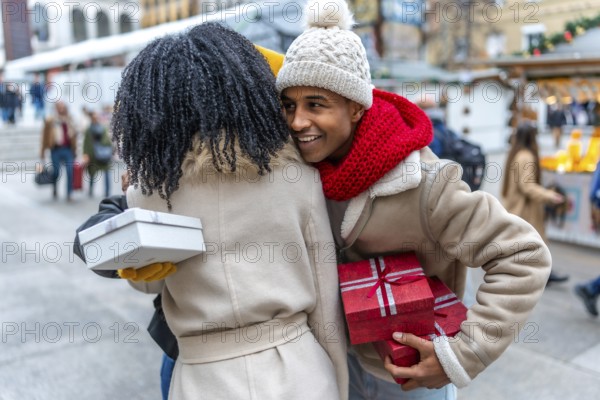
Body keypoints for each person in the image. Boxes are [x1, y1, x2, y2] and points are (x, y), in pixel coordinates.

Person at [276, 0, 551, 398]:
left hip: (412, 380)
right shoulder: (299, 170)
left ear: (355, 107)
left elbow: (523, 256)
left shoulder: (425, 183)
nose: (298, 122)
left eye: (315, 104)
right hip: (332, 367)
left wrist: (462, 353)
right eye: (289, 105)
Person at [107, 23, 347, 400]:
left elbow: (147, 282)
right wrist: (337, 379)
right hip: (298, 367)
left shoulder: (149, 193)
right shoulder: (297, 180)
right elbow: (325, 301)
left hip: (203, 375)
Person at [73, 42, 288, 400]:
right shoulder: (163, 183)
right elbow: (90, 240)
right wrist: (125, 251)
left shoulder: (287, 169)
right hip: (208, 353)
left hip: (248, 355)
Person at [501, 121, 569, 284]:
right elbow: (527, 186)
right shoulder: (527, 156)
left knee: (525, 244)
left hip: (517, 206)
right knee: (534, 243)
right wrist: (549, 195)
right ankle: (540, 276)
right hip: (525, 209)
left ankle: (541, 274)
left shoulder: (515, 153)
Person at [40, 101, 78, 201]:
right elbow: (44, 137)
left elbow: (75, 135)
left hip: (68, 149)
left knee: (70, 171)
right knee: (56, 172)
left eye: (63, 107)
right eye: (59, 107)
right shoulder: (51, 120)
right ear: (56, 108)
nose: (61, 109)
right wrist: (42, 152)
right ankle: (55, 188)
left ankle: (69, 193)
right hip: (55, 149)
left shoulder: (69, 119)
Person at [82, 111, 112, 198]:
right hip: (93, 155)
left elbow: (108, 141)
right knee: (92, 173)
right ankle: (91, 190)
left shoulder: (103, 128)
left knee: (107, 173)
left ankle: (107, 192)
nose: (95, 118)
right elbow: (86, 142)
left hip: (103, 155)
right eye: (93, 117)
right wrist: (85, 154)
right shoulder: (89, 129)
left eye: (96, 117)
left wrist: (102, 144)